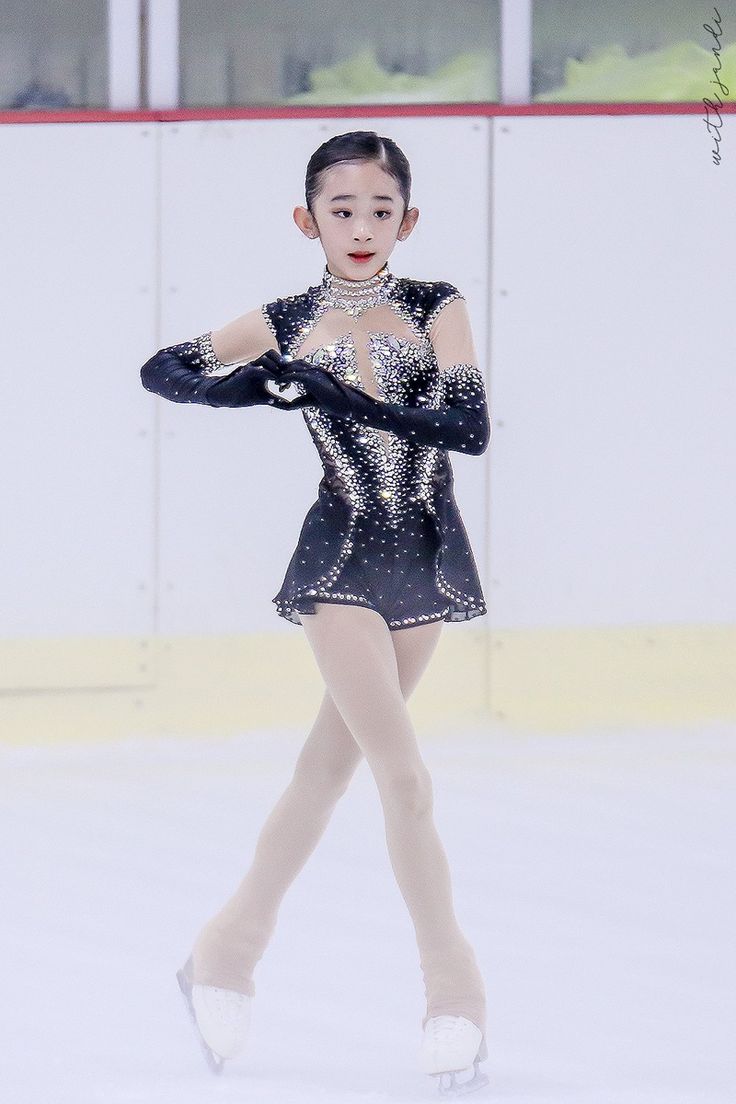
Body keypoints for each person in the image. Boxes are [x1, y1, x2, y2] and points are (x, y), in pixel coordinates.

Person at [140, 129, 491, 1096]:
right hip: (340, 556)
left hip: (421, 557)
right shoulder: (286, 317)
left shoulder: (435, 306)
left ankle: (226, 948)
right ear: (308, 220)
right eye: (343, 210)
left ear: (408, 220)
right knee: (403, 776)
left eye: (383, 210)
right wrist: (251, 386)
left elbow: (468, 427)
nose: (364, 226)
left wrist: (334, 392)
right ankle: (454, 984)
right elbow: (164, 368)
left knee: (325, 768)